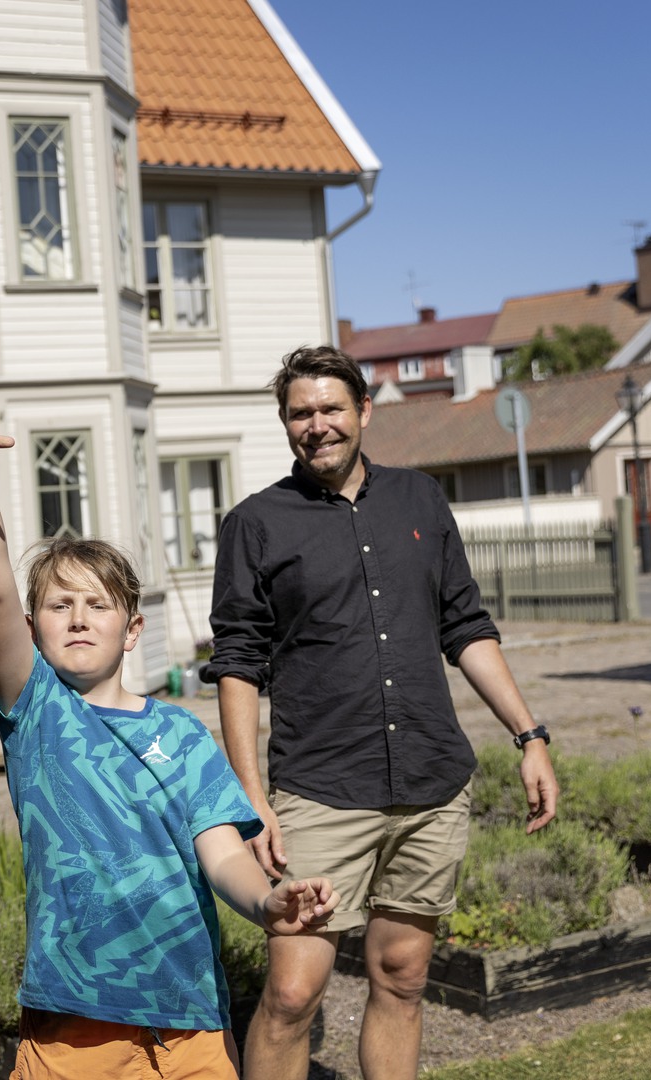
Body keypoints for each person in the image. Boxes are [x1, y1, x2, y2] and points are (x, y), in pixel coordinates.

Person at [0, 386, 340, 1080]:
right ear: (34, 630)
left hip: (189, 1025)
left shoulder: (183, 736)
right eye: (59, 605)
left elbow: (223, 857)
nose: (79, 617)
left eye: (99, 604)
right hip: (74, 1027)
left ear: (133, 629)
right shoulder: (37, 713)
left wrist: (268, 903)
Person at [204, 346, 559, 1080]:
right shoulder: (255, 523)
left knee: (401, 977)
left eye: (331, 408)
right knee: (294, 993)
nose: (318, 425)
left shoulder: (421, 499)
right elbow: (238, 664)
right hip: (321, 789)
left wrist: (529, 736)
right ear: (285, 424)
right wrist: (250, 797)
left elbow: (465, 626)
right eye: (300, 413)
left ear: (363, 412)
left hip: (431, 783)